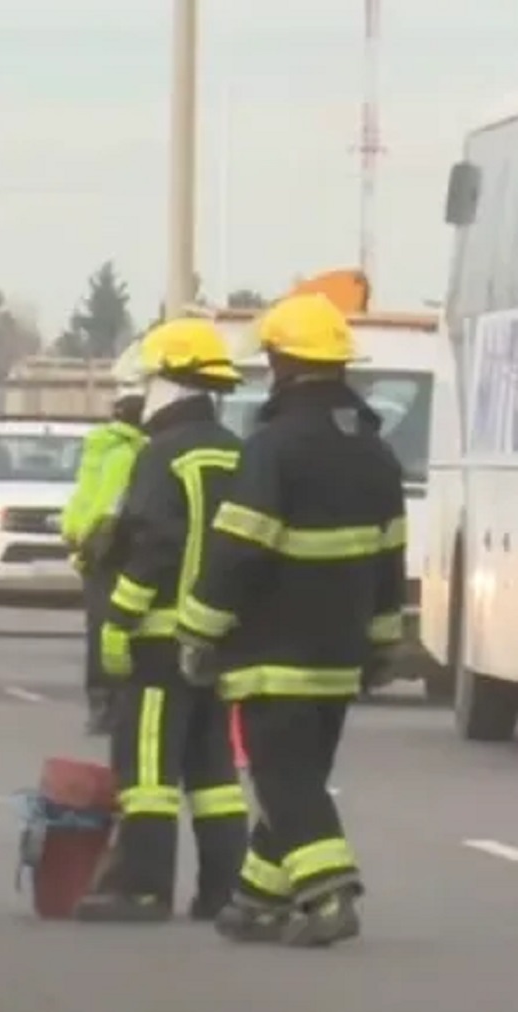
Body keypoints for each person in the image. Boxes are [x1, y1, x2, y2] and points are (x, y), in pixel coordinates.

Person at [178, 293, 405, 948]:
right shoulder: (375, 453)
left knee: (285, 780)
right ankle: (255, 901)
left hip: (272, 654)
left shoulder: (273, 448)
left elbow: (238, 551)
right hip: (340, 658)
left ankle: (330, 897)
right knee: (295, 780)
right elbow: (389, 559)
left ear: (279, 362)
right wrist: (384, 644)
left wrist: (198, 629)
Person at [71, 318, 249, 924]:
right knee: (213, 771)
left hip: (158, 642)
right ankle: (223, 888)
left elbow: (154, 546)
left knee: (147, 768)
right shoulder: (236, 453)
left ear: (169, 384)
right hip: (218, 641)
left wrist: (119, 620)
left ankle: (142, 889)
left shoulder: (161, 456)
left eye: (148, 383)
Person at [61, 383, 146, 736]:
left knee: (98, 628)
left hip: (90, 545)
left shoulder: (101, 447)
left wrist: (80, 540)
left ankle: (102, 701)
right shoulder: (128, 454)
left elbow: (86, 498)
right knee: (114, 628)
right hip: (109, 547)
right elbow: (113, 503)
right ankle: (110, 704)